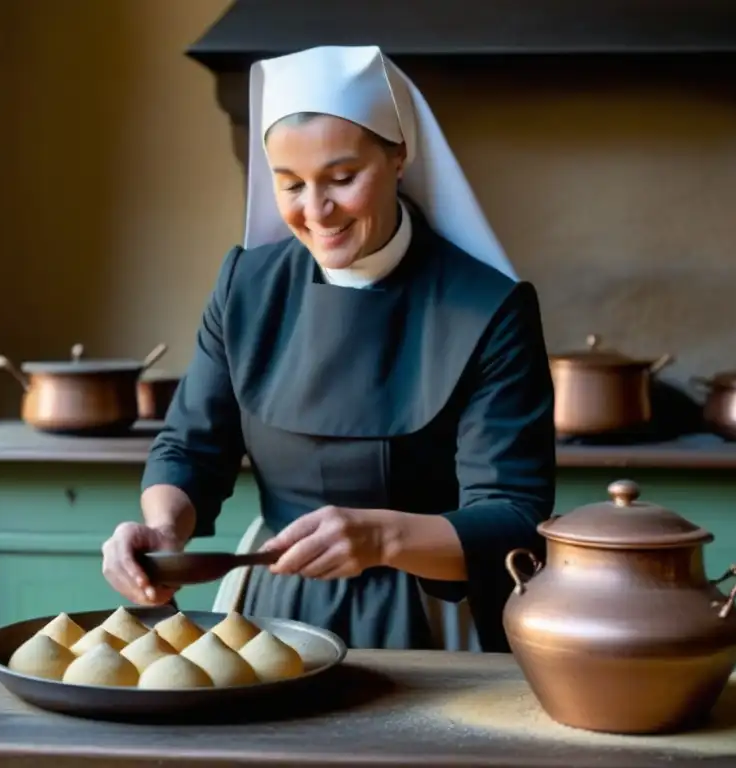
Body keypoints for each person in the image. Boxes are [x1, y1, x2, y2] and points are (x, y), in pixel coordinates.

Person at [101, 45, 556, 652]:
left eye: (343, 179)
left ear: (399, 156)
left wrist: (382, 539)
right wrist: (162, 528)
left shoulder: (490, 308)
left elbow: (513, 518)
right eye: (289, 185)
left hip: (434, 615)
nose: (317, 212)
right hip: (269, 606)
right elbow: (191, 445)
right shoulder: (246, 285)